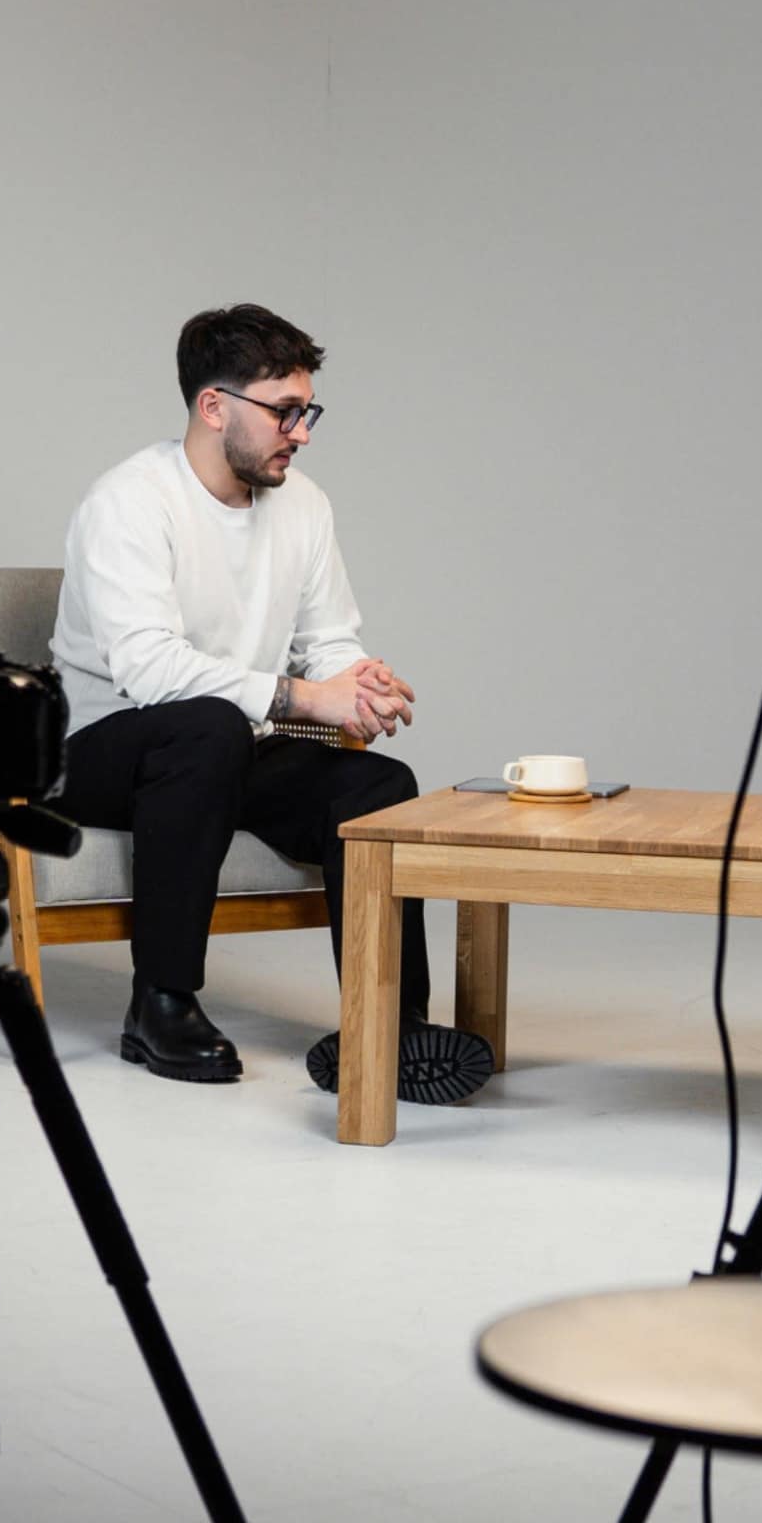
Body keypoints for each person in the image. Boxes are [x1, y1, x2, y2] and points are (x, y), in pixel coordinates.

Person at [53, 304, 494, 1102]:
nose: (303, 430)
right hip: (106, 747)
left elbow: (328, 637)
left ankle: (391, 1021)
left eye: (307, 409)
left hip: (231, 742)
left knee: (377, 786)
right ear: (213, 406)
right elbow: (150, 671)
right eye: (284, 411)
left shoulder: (304, 505)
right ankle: (159, 1001)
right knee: (209, 729)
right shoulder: (128, 502)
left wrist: (357, 682)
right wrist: (303, 696)